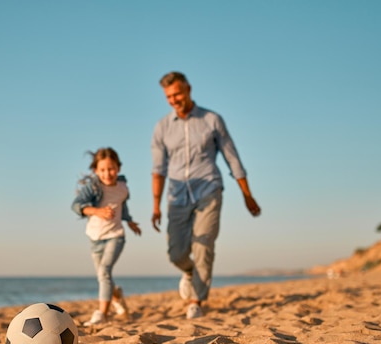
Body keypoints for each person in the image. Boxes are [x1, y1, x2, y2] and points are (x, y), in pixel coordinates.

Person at [151, 71, 261, 319]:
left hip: (209, 190)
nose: (174, 99)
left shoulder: (212, 120)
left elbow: (232, 158)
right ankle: (189, 272)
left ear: (188, 89)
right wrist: (156, 206)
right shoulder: (162, 128)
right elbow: (158, 170)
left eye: (177, 93)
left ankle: (195, 301)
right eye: (169, 96)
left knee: (204, 245)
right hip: (177, 196)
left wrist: (247, 194)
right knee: (176, 253)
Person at [72, 148, 141, 325]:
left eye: (111, 169)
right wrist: (97, 211)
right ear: (96, 170)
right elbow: (76, 205)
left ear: (118, 168)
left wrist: (130, 221)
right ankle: (117, 295)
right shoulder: (93, 186)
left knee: (104, 272)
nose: (107, 173)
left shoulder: (123, 188)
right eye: (102, 170)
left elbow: (122, 207)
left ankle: (102, 314)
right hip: (95, 238)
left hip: (116, 235)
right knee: (104, 276)